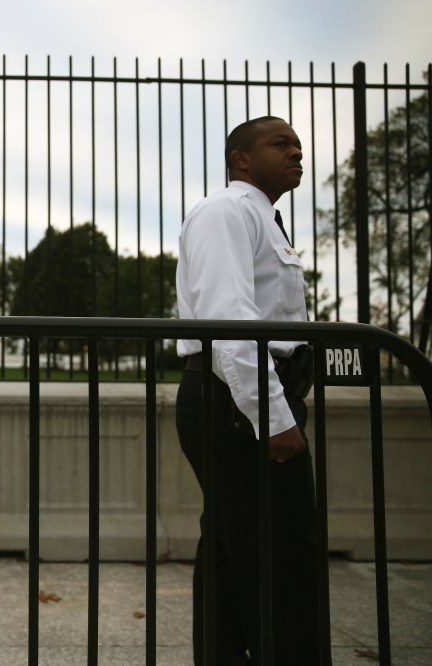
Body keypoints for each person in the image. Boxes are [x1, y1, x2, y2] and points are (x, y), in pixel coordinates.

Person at [175, 116, 326, 664]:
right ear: (241, 158)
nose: (295, 152)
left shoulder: (263, 219)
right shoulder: (227, 211)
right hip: (236, 401)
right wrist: (274, 417)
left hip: (246, 397)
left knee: (231, 548)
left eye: (298, 146)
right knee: (282, 551)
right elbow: (230, 321)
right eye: (280, 143)